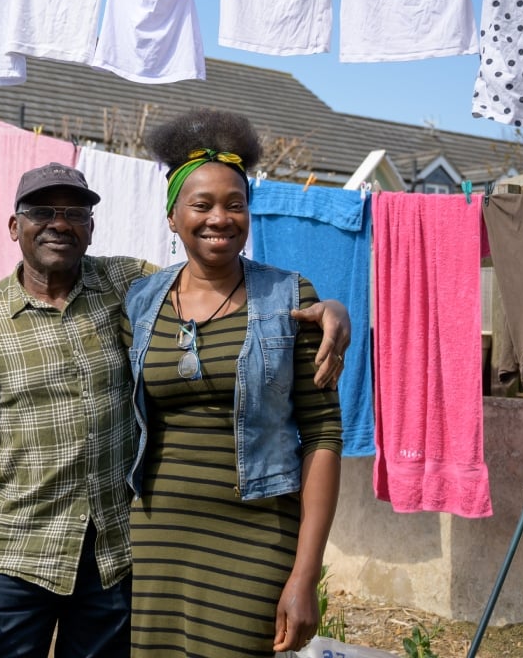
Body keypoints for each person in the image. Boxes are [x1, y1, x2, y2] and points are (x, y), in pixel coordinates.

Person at [0, 160, 349, 658]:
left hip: (117, 558)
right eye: (41, 211)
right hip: (21, 556)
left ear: (91, 228)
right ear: (13, 226)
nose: (59, 223)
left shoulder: (128, 287)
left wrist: (333, 308)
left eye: (75, 212)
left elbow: (212, 276)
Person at [121, 109, 343, 657]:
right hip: (159, 534)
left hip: (256, 531)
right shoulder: (141, 299)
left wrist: (305, 575)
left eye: (234, 204)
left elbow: (323, 435)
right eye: (202, 205)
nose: (220, 217)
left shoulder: (292, 299)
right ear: (173, 216)